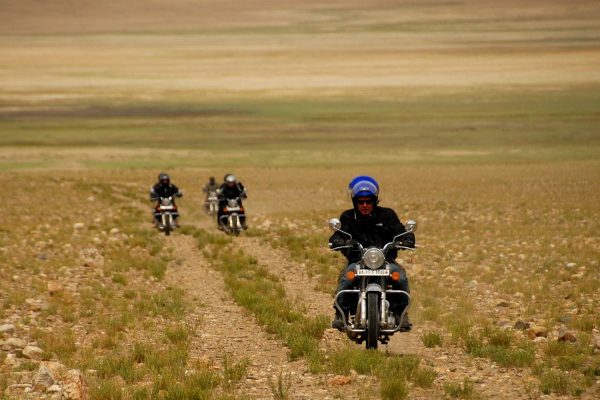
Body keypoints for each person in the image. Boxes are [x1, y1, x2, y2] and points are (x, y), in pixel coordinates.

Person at [329, 176, 415, 331]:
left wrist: (407, 239)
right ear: (354, 202)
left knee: (399, 277)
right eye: (360, 202)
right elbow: (339, 234)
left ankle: (400, 314)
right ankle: (341, 315)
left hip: (385, 261)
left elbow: (400, 231)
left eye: (368, 201)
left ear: (375, 201)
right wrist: (337, 240)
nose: (365, 205)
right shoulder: (348, 217)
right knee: (347, 278)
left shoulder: (387, 215)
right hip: (358, 261)